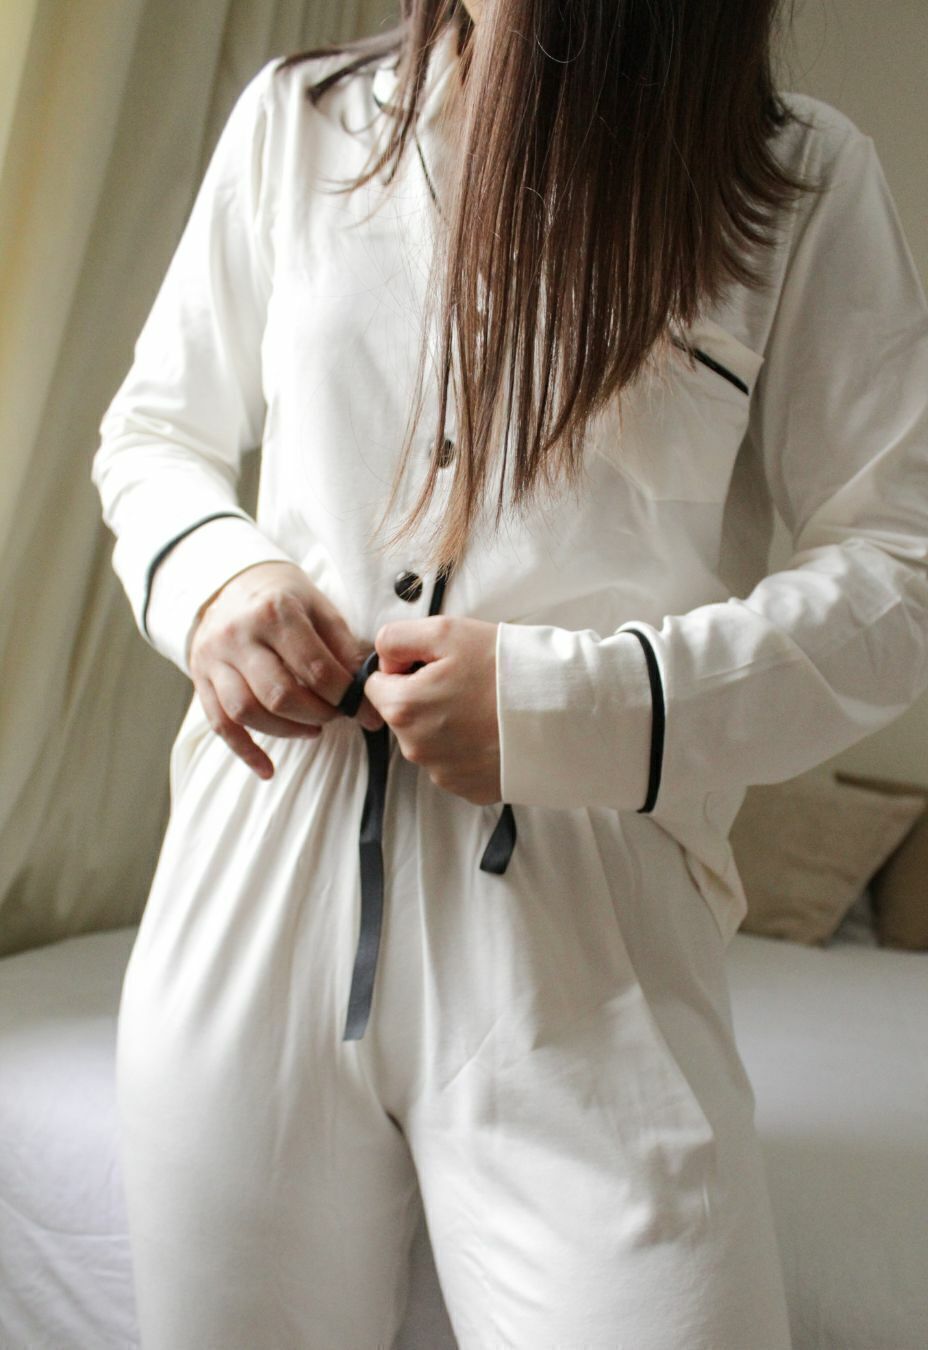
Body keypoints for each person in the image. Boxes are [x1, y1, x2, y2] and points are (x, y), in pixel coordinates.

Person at [91, 1, 928, 1346]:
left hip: (586, 925)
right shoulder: (299, 124)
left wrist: (576, 707)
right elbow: (154, 433)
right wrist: (216, 580)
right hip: (257, 872)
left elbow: (900, 571)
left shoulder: (797, 180)